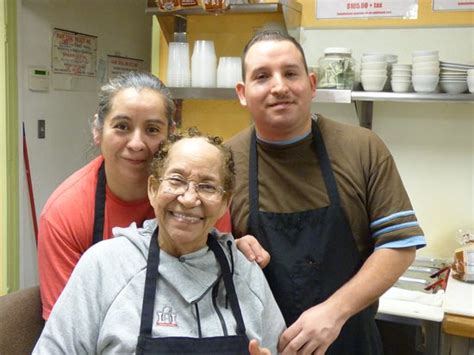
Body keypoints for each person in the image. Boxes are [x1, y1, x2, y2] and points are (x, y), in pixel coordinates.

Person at [227, 31, 426, 355]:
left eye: (290, 73)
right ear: (242, 93)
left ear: (312, 84)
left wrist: (334, 312)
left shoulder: (361, 148)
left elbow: (399, 245)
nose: (279, 86)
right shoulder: (225, 161)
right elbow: (205, 252)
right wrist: (231, 247)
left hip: (350, 341)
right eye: (262, 76)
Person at [33, 128, 286, 354]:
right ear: (153, 189)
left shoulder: (243, 270)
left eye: (207, 186)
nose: (188, 199)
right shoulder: (105, 266)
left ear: (224, 203)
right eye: (176, 180)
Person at [37, 72, 231, 320]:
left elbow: (219, 298)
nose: (137, 143)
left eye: (152, 129)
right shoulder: (64, 214)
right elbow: (69, 327)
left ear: (170, 134)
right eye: (122, 127)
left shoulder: (201, 204)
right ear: (98, 130)